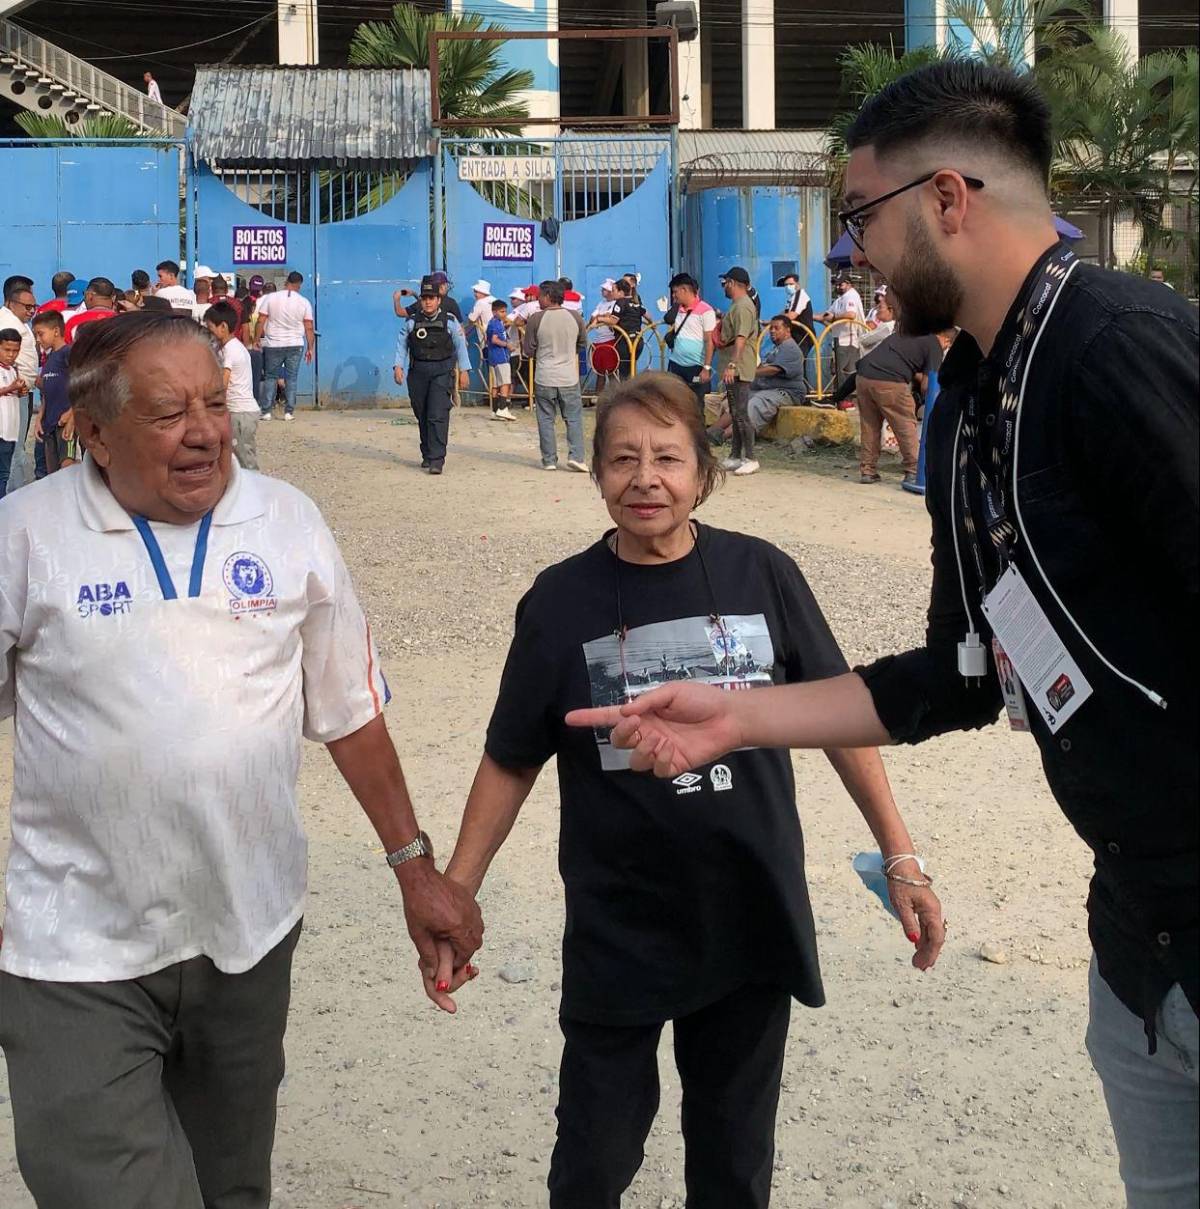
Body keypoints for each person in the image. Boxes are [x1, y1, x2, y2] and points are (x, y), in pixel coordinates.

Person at [568, 61, 1200, 1209]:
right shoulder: (965, 402)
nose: (852, 250)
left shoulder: (1120, 347)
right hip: (1142, 941)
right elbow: (962, 672)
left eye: (861, 217)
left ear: (949, 199)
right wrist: (738, 718)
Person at [0, 309, 483, 1209]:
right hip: (75, 949)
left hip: (248, 933)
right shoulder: (24, 534)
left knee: (231, 1187)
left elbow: (350, 712)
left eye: (213, 403)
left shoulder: (286, 519)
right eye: (167, 413)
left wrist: (418, 873)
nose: (204, 433)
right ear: (94, 434)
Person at [432, 372, 944, 1209]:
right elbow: (510, 757)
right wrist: (457, 892)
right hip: (618, 919)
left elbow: (841, 718)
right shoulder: (560, 599)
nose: (646, 479)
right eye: (623, 459)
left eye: (668, 458)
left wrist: (902, 855)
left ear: (703, 473)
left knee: (734, 1166)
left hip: (747, 911)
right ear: (596, 475)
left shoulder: (762, 573)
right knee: (591, 1163)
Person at [852, 295, 941, 486]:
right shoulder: (934, 343)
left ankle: (867, 471)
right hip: (890, 381)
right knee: (905, 424)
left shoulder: (904, 332)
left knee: (870, 425)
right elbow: (928, 385)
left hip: (863, 376)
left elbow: (902, 359)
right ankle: (914, 470)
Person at [392, 275, 471, 475]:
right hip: (418, 372)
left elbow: (460, 345)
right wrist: (398, 367)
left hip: (442, 372)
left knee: (437, 415)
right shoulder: (412, 322)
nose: (427, 301)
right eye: (424, 297)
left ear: (438, 300)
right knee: (422, 414)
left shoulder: (450, 321)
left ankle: (437, 459)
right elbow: (402, 344)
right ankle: (427, 454)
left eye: (431, 298)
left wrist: (464, 370)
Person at [522, 279, 587, 473]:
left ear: (548, 297)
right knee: (573, 418)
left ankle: (549, 459)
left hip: (544, 376)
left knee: (545, 418)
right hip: (568, 376)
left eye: (540, 296)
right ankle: (576, 457)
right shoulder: (575, 317)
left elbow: (528, 349)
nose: (538, 299)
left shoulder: (535, 319)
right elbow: (582, 343)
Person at [715, 266, 761, 477]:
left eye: (725, 283)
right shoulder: (737, 306)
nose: (724, 287)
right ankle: (735, 455)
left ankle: (751, 457)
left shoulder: (743, 307)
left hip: (740, 367)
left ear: (733, 283)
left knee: (741, 413)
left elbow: (741, 337)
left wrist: (733, 365)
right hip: (733, 367)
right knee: (734, 413)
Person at [205, 299, 259, 470]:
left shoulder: (231, 350)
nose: (209, 332)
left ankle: (254, 490)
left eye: (210, 328)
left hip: (240, 413)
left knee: (244, 459)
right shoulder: (229, 346)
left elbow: (223, 383)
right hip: (238, 412)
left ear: (223, 327)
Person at [255, 271, 314, 421]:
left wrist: (256, 338)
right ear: (299, 285)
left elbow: (261, 320)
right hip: (295, 344)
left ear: (286, 281)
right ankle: (289, 412)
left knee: (270, 377)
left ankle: (267, 411)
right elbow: (308, 327)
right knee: (292, 378)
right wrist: (310, 348)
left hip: (273, 344)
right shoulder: (303, 302)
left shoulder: (271, 298)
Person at [0, 279, 39, 494]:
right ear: (10, 302)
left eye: (34, 306)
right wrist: (14, 384)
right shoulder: (6, 323)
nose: (32, 311)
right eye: (27, 307)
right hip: (12, 394)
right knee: (13, 450)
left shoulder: (18, 323)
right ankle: (12, 497)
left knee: (15, 447)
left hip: (21, 391)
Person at [30, 309, 77, 473]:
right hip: (49, 425)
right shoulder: (49, 359)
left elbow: (81, 386)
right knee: (53, 473)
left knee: (67, 467)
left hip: (65, 424)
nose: (38, 339)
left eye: (40, 334)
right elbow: (46, 393)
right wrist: (39, 418)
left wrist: (72, 415)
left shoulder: (68, 353)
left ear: (56, 331)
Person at [664, 272, 716, 414]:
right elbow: (667, 318)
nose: (674, 296)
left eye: (675, 292)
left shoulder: (706, 311)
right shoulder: (678, 309)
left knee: (696, 405)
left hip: (696, 367)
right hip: (675, 364)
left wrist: (706, 367)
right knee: (673, 404)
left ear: (685, 290)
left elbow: (709, 341)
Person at [817, 274, 864, 389]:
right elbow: (826, 315)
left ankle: (841, 399)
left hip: (848, 340)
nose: (838, 287)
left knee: (841, 372)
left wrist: (833, 318)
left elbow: (850, 314)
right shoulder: (839, 300)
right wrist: (810, 316)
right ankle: (843, 399)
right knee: (841, 372)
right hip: (840, 339)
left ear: (849, 284)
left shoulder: (851, 296)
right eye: (836, 284)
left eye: (841, 284)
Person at [0, 328, 30, 490]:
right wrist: (9, 388)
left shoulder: (13, 370)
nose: (11, 355)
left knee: (4, 474)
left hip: (10, 432)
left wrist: (19, 391)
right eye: (6, 350)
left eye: (15, 351)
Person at [485, 298, 516, 422]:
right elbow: (494, 339)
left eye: (505, 312)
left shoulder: (492, 323)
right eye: (502, 312)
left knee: (496, 384)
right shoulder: (497, 323)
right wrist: (507, 345)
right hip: (501, 357)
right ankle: (503, 408)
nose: (504, 314)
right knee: (505, 383)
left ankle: (494, 410)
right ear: (494, 312)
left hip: (493, 357)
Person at [64, 276, 119, 344]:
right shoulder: (122, 322)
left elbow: (66, 351)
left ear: (89, 295)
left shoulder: (74, 322)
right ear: (114, 298)